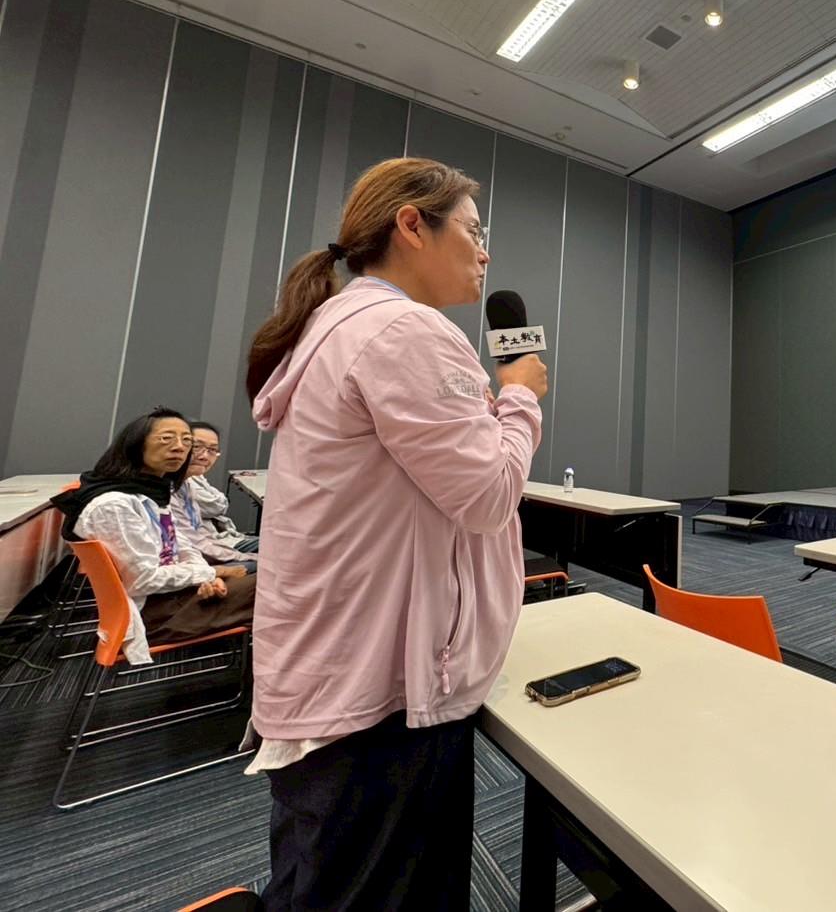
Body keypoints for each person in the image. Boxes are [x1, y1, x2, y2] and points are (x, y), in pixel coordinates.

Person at [243, 156, 547, 910]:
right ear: (412, 225)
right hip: (382, 698)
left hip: (340, 672)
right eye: (473, 232)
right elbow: (488, 496)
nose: (485, 255)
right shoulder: (404, 330)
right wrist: (518, 398)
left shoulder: (342, 323)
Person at [51, 407, 255, 664]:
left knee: (274, 579)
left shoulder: (149, 491)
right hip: (154, 613)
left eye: (186, 441)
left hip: (176, 595)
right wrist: (212, 573)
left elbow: (181, 545)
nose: (179, 447)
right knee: (281, 583)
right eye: (166, 438)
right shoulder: (115, 505)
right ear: (135, 445)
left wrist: (205, 575)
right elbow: (142, 580)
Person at [173, 420, 258, 572]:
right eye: (196, 447)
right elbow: (195, 544)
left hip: (209, 550)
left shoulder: (188, 484)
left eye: (212, 450)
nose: (204, 456)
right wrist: (245, 557)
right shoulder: (167, 490)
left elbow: (219, 505)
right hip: (191, 565)